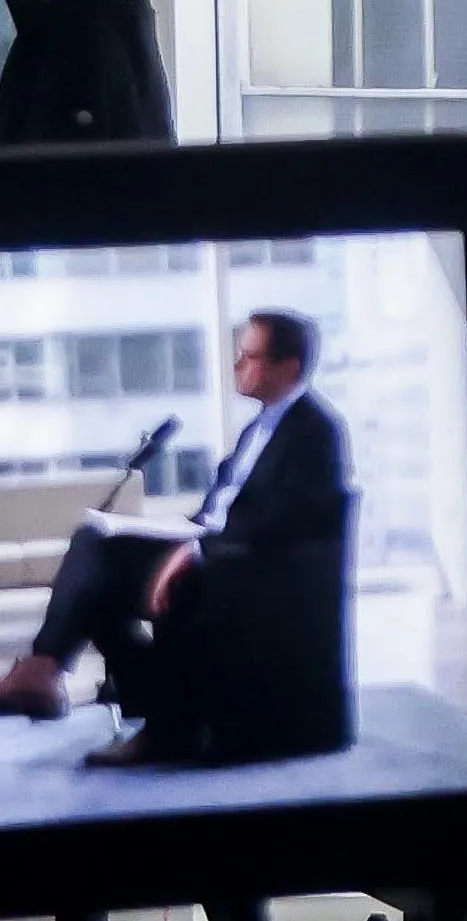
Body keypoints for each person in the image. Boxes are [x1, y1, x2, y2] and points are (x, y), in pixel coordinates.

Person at [0, 309, 353, 769]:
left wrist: (195, 550)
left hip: (248, 571)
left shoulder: (316, 431)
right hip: (214, 547)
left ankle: (161, 728)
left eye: (248, 357)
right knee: (95, 544)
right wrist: (184, 538)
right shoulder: (259, 425)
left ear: (287, 367)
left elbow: (279, 521)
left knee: (145, 578)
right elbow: (220, 507)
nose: (235, 366)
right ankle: (49, 671)